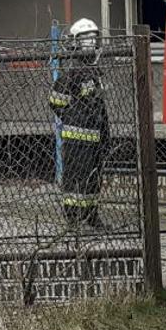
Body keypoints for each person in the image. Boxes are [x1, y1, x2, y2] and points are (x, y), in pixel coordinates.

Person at [50, 18, 109, 229]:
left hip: (96, 137)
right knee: (75, 180)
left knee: (93, 180)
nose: (91, 44)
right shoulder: (71, 73)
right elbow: (56, 102)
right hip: (76, 140)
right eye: (85, 39)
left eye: (93, 39)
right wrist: (75, 116)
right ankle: (73, 219)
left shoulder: (94, 72)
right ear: (75, 43)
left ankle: (91, 216)